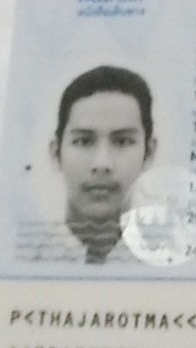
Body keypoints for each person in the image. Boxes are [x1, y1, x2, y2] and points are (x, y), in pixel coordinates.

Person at [41, 65, 157, 264]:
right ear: (55, 153)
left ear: (149, 153)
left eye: (122, 141)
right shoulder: (20, 257)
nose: (102, 163)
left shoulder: (167, 262)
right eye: (83, 141)